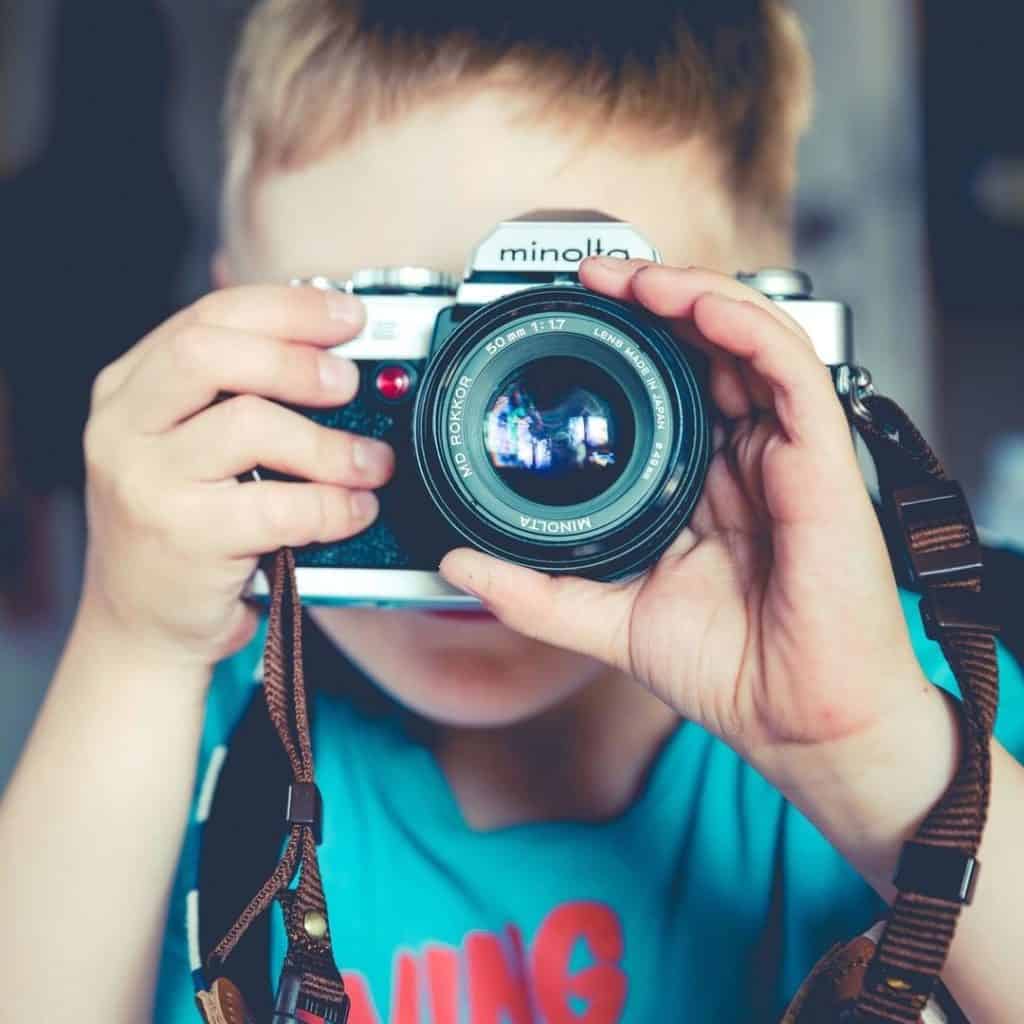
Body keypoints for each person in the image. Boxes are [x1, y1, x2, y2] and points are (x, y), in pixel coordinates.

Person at [1, 2, 1023, 1021]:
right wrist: (132, 646)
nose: (473, 498)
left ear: (753, 345)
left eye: (575, 357)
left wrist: (875, 763)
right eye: (404, 371)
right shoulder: (192, 717)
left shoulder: (897, 700)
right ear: (233, 340)